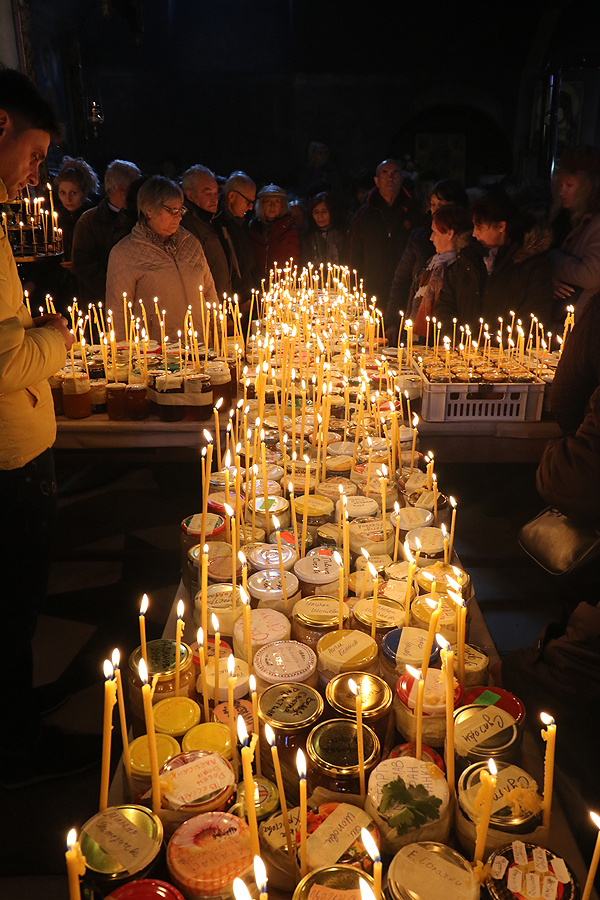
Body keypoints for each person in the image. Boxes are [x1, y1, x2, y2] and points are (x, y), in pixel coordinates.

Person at [0, 68, 101, 788]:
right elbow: (4, 362)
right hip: (9, 463)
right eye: (35, 155)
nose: (37, 172)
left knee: (17, 613)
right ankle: (16, 749)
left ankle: (17, 719)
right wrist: (57, 339)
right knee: (11, 610)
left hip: (20, 447)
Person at [106, 175, 218, 341]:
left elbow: (209, 293)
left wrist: (217, 334)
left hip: (199, 348)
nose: (178, 217)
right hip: (156, 356)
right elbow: (118, 312)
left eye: (180, 210)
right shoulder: (125, 253)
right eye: (172, 210)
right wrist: (125, 355)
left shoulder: (191, 244)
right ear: (149, 210)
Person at [434, 189, 554, 336]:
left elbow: (534, 318)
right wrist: (457, 341)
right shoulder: (467, 259)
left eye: (480, 228)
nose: (474, 234)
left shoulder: (533, 266)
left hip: (507, 356)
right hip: (462, 354)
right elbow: (445, 305)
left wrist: (494, 350)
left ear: (501, 227)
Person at [385, 178, 469, 343]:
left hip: (440, 341)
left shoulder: (464, 263)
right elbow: (401, 281)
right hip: (416, 335)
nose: (436, 210)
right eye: (432, 204)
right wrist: (393, 321)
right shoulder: (421, 240)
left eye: (442, 204)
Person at [349, 158, 421, 315]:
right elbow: (353, 257)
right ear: (376, 181)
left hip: (406, 290)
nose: (390, 178)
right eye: (385, 173)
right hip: (372, 292)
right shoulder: (363, 216)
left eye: (395, 173)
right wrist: (354, 290)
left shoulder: (414, 212)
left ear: (402, 177)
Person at [71, 158, 141, 301]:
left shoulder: (140, 218)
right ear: (123, 190)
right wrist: (117, 290)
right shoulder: (89, 221)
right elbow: (84, 264)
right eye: (135, 186)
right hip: (101, 302)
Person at [549, 145, 600, 319]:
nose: (562, 191)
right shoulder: (561, 217)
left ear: (589, 187)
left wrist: (551, 259)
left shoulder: (596, 224)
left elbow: (591, 274)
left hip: (582, 318)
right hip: (558, 314)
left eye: (569, 185)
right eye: (560, 185)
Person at [407, 204, 473, 339]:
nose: (431, 238)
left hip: (441, 341)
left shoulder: (458, 268)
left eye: (435, 232)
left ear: (450, 233)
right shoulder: (433, 263)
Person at [182, 164, 233, 299]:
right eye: (208, 192)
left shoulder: (214, 218)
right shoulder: (186, 225)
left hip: (222, 301)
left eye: (216, 192)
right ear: (190, 195)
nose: (214, 198)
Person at [220, 171, 259, 322]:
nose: (250, 208)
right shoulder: (221, 225)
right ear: (231, 196)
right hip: (234, 303)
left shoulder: (240, 222)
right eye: (248, 202)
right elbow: (233, 265)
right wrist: (242, 296)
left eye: (253, 203)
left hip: (246, 298)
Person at [248, 183, 300, 281]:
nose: (272, 206)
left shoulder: (289, 230)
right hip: (258, 284)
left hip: (281, 284)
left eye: (276, 202)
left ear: (282, 205)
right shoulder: (254, 229)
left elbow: (294, 261)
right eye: (268, 202)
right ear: (261, 205)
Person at [55, 155, 99, 260]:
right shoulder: (56, 216)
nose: (68, 199)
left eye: (73, 193)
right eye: (63, 193)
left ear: (84, 192)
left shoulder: (94, 216)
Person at [301, 191, 347, 267]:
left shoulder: (342, 233)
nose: (320, 216)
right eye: (316, 212)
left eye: (324, 211)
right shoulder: (307, 236)